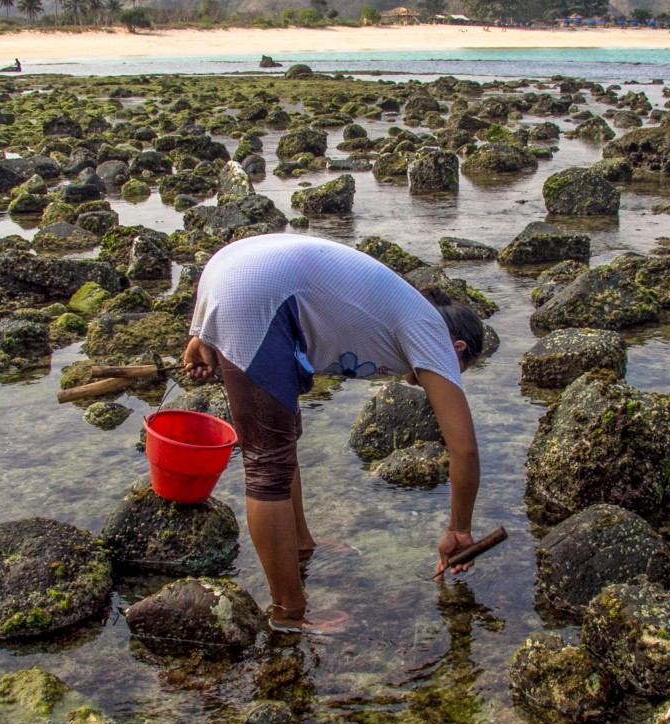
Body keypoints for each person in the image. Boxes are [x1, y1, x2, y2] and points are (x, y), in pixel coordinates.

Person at [183, 233, 486, 635]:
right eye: (457, 371)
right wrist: (459, 529)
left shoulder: (404, 309)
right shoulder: (431, 332)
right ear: (457, 348)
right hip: (257, 291)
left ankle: (302, 544)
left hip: (236, 267)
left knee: (283, 432)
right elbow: (463, 449)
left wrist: (206, 331)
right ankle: (289, 612)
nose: (442, 382)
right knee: (268, 466)